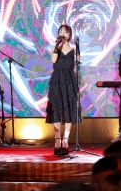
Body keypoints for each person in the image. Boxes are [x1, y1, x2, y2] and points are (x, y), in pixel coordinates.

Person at [45, 24, 82, 156]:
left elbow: (78, 61)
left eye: (65, 32)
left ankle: (65, 140)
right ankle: (57, 140)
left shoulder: (73, 48)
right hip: (57, 80)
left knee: (68, 109)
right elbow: (54, 59)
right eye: (60, 32)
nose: (63, 34)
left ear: (70, 34)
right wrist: (57, 44)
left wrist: (78, 47)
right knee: (56, 109)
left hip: (69, 80)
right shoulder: (54, 47)